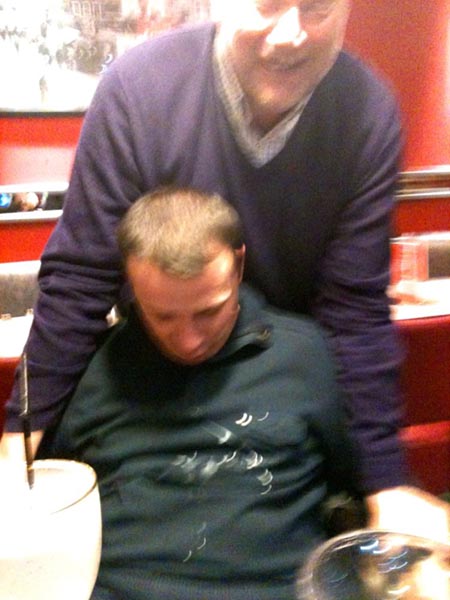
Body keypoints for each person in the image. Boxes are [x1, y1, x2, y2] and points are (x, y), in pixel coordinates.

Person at [1, 0, 446, 533]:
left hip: (287, 390)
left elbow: (354, 308)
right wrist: (18, 446)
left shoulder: (366, 111)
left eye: (316, 9)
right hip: (151, 386)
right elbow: (80, 282)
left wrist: (385, 482)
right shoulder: (139, 89)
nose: (289, 34)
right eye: (268, 4)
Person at [37, 187, 359, 600]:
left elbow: (358, 477)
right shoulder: (93, 366)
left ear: (238, 266)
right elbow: (54, 498)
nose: (189, 342)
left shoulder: (303, 354)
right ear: (131, 282)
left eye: (209, 311)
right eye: (163, 316)